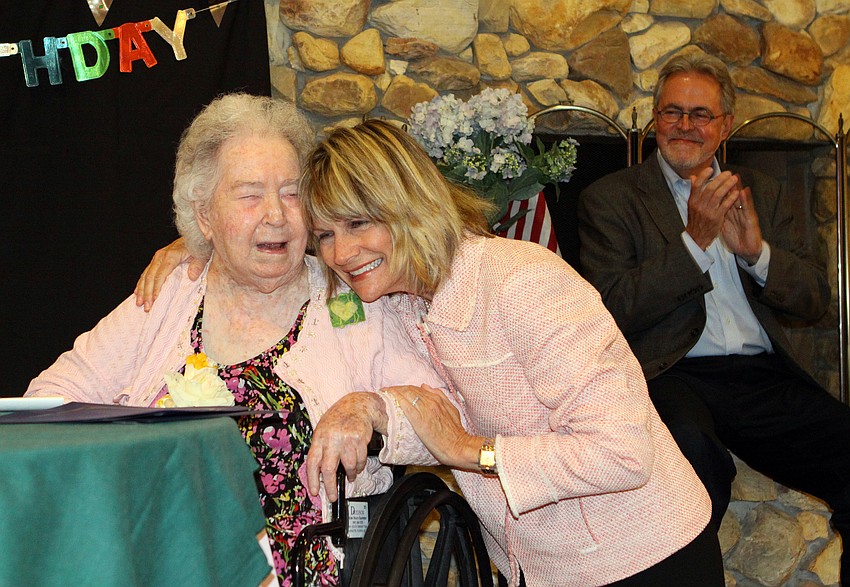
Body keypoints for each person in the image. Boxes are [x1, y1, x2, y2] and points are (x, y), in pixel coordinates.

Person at [25, 94, 447, 586]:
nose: (275, 214)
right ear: (205, 216)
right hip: (164, 559)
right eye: (249, 195)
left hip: (300, 567)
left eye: (291, 193)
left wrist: (369, 406)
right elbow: (49, 400)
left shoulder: (350, 297)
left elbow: (438, 413)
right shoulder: (170, 293)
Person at [296, 119, 723, 587]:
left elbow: (622, 453)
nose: (341, 252)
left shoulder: (521, 280)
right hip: (533, 568)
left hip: (644, 561)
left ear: (409, 204)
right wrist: (366, 409)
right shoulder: (400, 304)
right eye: (325, 235)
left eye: (358, 223)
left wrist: (469, 451)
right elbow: (439, 423)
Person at [577, 53, 850, 581]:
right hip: (672, 372)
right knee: (691, 461)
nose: (686, 126)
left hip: (761, 376)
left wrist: (756, 255)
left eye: (701, 114)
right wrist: (695, 243)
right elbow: (609, 311)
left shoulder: (764, 192)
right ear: (655, 118)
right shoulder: (610, 199)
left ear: (725, 124)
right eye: (672, 112)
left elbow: (816, 297)